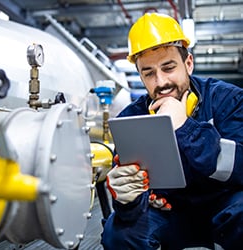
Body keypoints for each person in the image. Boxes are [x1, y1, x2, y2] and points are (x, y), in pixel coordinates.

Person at [101, 12, 243, 250]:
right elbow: (130, 201)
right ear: (141, 76)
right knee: (117, 234)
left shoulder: (227, 100)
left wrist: (185, 126)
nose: (161, 82)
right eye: (149, 73)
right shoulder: (130, 118)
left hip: (224, 207)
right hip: (167, 214)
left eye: (168, 67)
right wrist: (127, 199)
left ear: (188, 64)